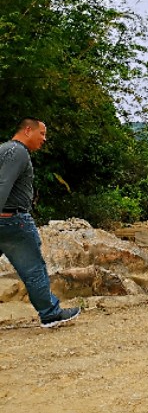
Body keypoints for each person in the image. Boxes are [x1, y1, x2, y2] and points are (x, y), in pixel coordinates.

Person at [0, 118, 81, 327]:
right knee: (34, 270)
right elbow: (3, 184)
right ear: (28, 130)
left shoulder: (3, 149)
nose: (44, 139)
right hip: (14, 223)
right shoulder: (18, 152)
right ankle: (50, 314)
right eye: (42, 133)